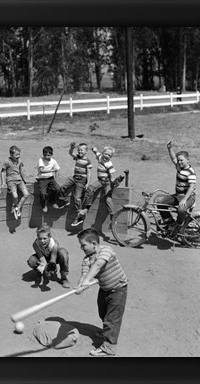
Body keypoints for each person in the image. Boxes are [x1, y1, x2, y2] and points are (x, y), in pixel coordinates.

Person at [75, 227, 128, 357]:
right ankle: (107, 331)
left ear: (94, 244)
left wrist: (87, 280)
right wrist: (80, 286)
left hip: (118, 289)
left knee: (112, 318)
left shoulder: (106, 250)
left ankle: (109, 348)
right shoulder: (86, 259)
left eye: (83, 245)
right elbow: (84, 274)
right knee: (103, 313)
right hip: (104, 289)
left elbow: (98, 265)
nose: (81, 248)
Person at [72, 146, 123, 227]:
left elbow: (111, 175)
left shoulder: (109, 164)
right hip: (100, 181)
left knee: (108, 198)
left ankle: (112, 217)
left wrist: (113, 181)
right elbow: (96, 153)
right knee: (90, 189)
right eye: (106, 154)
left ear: (111, 157)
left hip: (107, 182)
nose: (107, 156)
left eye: (109, 155)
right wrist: (94, 150)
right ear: (102, 153)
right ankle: (86, 208)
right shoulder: (100, 157)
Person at [155, 141, 196, 235]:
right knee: (160, 202)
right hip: (178, 196)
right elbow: (173, 158)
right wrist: (169, 149)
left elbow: (191, 187)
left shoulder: (190, 172)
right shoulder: (179, 167)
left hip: (189, 197)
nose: (179, 162)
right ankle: (170, 223)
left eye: (182, 160)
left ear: (187, 160)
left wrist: (184, 200)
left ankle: (179, 225)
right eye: (179, 160)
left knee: (181, 210)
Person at [55, 142, 92, 216]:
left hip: (81, 180)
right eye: (79, 150)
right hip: (74, 177)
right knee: (62, 187)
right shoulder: (78, 157)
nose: (80, 152)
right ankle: (64, 200)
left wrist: (87, 183)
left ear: (86, 151)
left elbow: (89, 173)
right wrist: (72, 148)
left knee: (77, 198)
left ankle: (79, 213)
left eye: (82, 150)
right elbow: (71, 153)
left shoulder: (88, 161)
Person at [1, 145, 30, 220]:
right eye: (16, 155)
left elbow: (21, 171)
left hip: (19, 180)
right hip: (11, 181)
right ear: (11, 155)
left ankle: (17, 208)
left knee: (26, 194)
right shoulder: (7, 162)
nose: (18, 156)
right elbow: (3, 172)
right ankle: (15, 206)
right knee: (15, 196)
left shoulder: (20, 161)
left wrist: (24, 180)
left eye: (19, 154)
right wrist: (3, 182)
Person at [36, 146, 61, 213]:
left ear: (51, 154)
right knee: (43, 193)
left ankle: (53, 201)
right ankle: (43, 205)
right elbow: (41, 170)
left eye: (48, 155)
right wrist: (52, 170)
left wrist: (57, 181)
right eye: (45, 155)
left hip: (50, 178)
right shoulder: (41, 160)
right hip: (42, 179)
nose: (47, 157)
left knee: (57, 189)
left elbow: (57, 171)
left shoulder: (53, 161)